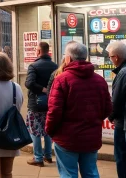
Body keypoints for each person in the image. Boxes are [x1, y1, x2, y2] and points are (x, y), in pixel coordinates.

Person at [46, 42, 112, 178]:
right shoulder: (99, 80)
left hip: (66, 138)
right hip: (91, 137)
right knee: (91, 173)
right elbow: (107, 109)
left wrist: (50, 130)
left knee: (68, 174)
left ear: (68, 59)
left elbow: (54, 111)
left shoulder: (61, 80)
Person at [25, 42, 58, 167]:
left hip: (36, 103)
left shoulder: (33, 66)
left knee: (35, 131)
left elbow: (29, 83)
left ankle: (38, 157)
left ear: (39, 51)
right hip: (50, 102)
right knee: (47, 130)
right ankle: (48, 156)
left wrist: (43, 89)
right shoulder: (55, 66)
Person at [107, 42, 126, 178]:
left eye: (110, 57)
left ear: (116, 57)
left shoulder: (123, 73)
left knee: (121, 157)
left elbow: (116, 101)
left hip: (124, 123)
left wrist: (111, 116)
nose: (110, 60)